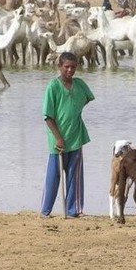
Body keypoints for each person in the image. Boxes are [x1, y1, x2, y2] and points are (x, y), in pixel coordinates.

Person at [40, 52, 95, 219]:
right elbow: (48, 116)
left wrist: (75, 110)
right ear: (60, 67)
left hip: (76, 136)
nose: (70, 70)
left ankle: (73, 210)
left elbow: (87, 98)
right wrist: (58, 138)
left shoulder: (79, 84)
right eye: (66, 67)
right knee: (53, 176)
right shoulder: (53, 86)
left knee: (75, 176)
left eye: (73, 67)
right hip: (58, 139)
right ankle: (45, 211)